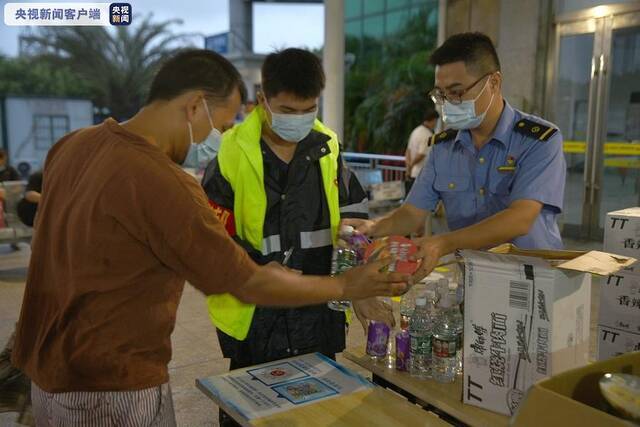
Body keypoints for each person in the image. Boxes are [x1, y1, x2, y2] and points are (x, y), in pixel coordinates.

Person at [11, 49, 408, 427]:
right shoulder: (162, 181)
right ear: (194, 105)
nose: (214, 134)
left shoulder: (72, 145)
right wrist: (346, 285)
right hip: (111, 381)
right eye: (218, 122)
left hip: (48, 372)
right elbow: (244, 280)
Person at [202, 48, 388, 426]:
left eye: (309, 109)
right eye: (288, 111)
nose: (300, 120)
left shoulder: (328, 148)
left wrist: (363, 291)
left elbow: (353, 223)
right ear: (262, 100)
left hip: (317, 321)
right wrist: (265, 274)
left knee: (321, 417)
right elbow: (211, 246)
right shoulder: (231, 156)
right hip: (255, 325)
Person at [346, 32, 566, 280]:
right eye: (441, 94)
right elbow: (412, 213)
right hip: (473, 279)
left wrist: (442, 243)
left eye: (457, 92)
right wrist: (374, 227)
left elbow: (520, 219)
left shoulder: (538, 141)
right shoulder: (443, 148)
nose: (448, 103)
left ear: (493, 83)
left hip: (533, 280)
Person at [405, 109, 439, 192]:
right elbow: (421, 154)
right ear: (433, 120)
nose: (436, 124)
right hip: (421, 174)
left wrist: (408, 168)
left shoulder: (416, 131)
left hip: (413, 173)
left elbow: (408, 150)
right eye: (436, 121)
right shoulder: (427, 135)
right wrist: (410, 166)